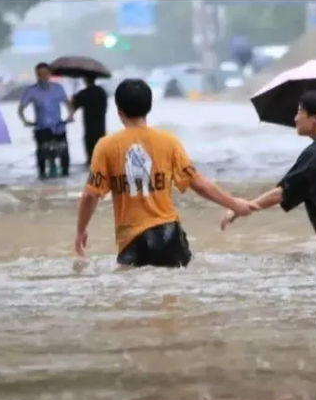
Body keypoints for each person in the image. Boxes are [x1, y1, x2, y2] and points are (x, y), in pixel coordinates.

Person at [75, 78, 258, 268]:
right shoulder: (168, 141)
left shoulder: (106, 146)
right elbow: (199, 184)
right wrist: (234, 203)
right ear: (149, 107)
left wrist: (81, 231)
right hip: (170, 235)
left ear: (119, 111)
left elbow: (91, 195)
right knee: (171, 292)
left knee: (133, 294)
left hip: (133, 241)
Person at [221, 90, 316, 262]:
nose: (295, 119)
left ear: (315, 119)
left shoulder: (315, 154)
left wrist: (243, 207)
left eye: (299, 113)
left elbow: (282, 193)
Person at [18, 62, 73, 179]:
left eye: (45, 73)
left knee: (64, 153)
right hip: (41, 127)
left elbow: (68, 104)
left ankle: (65, 173)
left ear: (50, 74)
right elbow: (21, 109)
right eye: (40, 74)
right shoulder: (31, 91)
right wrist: (25, 121)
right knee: (41, 153)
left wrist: (70, 116)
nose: (43, 76)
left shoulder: (58, 88)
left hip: (58, 126)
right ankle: (42, 173)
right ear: (36, 75)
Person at [71, 75, 108, 165]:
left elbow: (74, 105)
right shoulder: (101, 91)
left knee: (90, 156)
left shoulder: (84, 93)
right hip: (101, 126)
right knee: (101, 152)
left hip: (89, 126)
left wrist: (74, 95)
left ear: (85, 80)